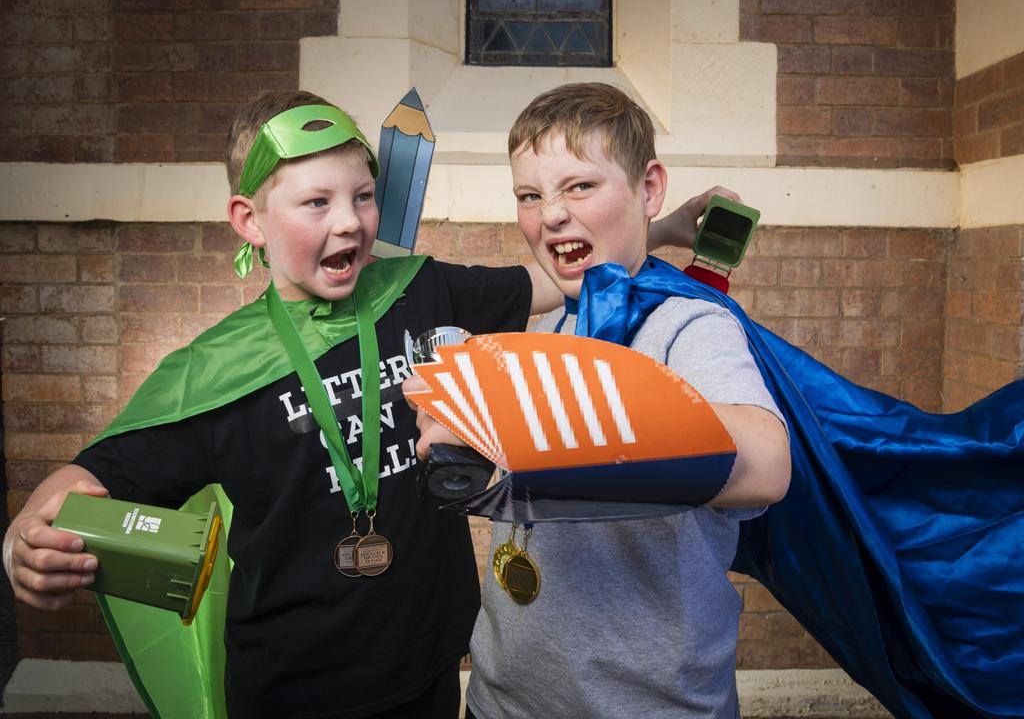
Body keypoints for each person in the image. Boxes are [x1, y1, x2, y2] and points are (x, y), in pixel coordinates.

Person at [1, 89, 726, 719]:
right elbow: (94, 478)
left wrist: (657, 229)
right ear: (249, 221)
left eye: (362, 196)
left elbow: (557, 283)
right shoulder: (215, 372)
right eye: (316, 203)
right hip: (294, 690)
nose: (349, 223)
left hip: (432, 663)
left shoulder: (419, 289)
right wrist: (26, 536)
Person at [409, 82, 792, 719]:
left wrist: (539, 404)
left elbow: (766, 465)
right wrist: (470, 422)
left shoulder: (689, 326)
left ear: (648, 187)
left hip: (650, 706)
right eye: (530, 195)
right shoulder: (552, 319)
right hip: (502, 698)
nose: (550, 215)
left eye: (579, 187)